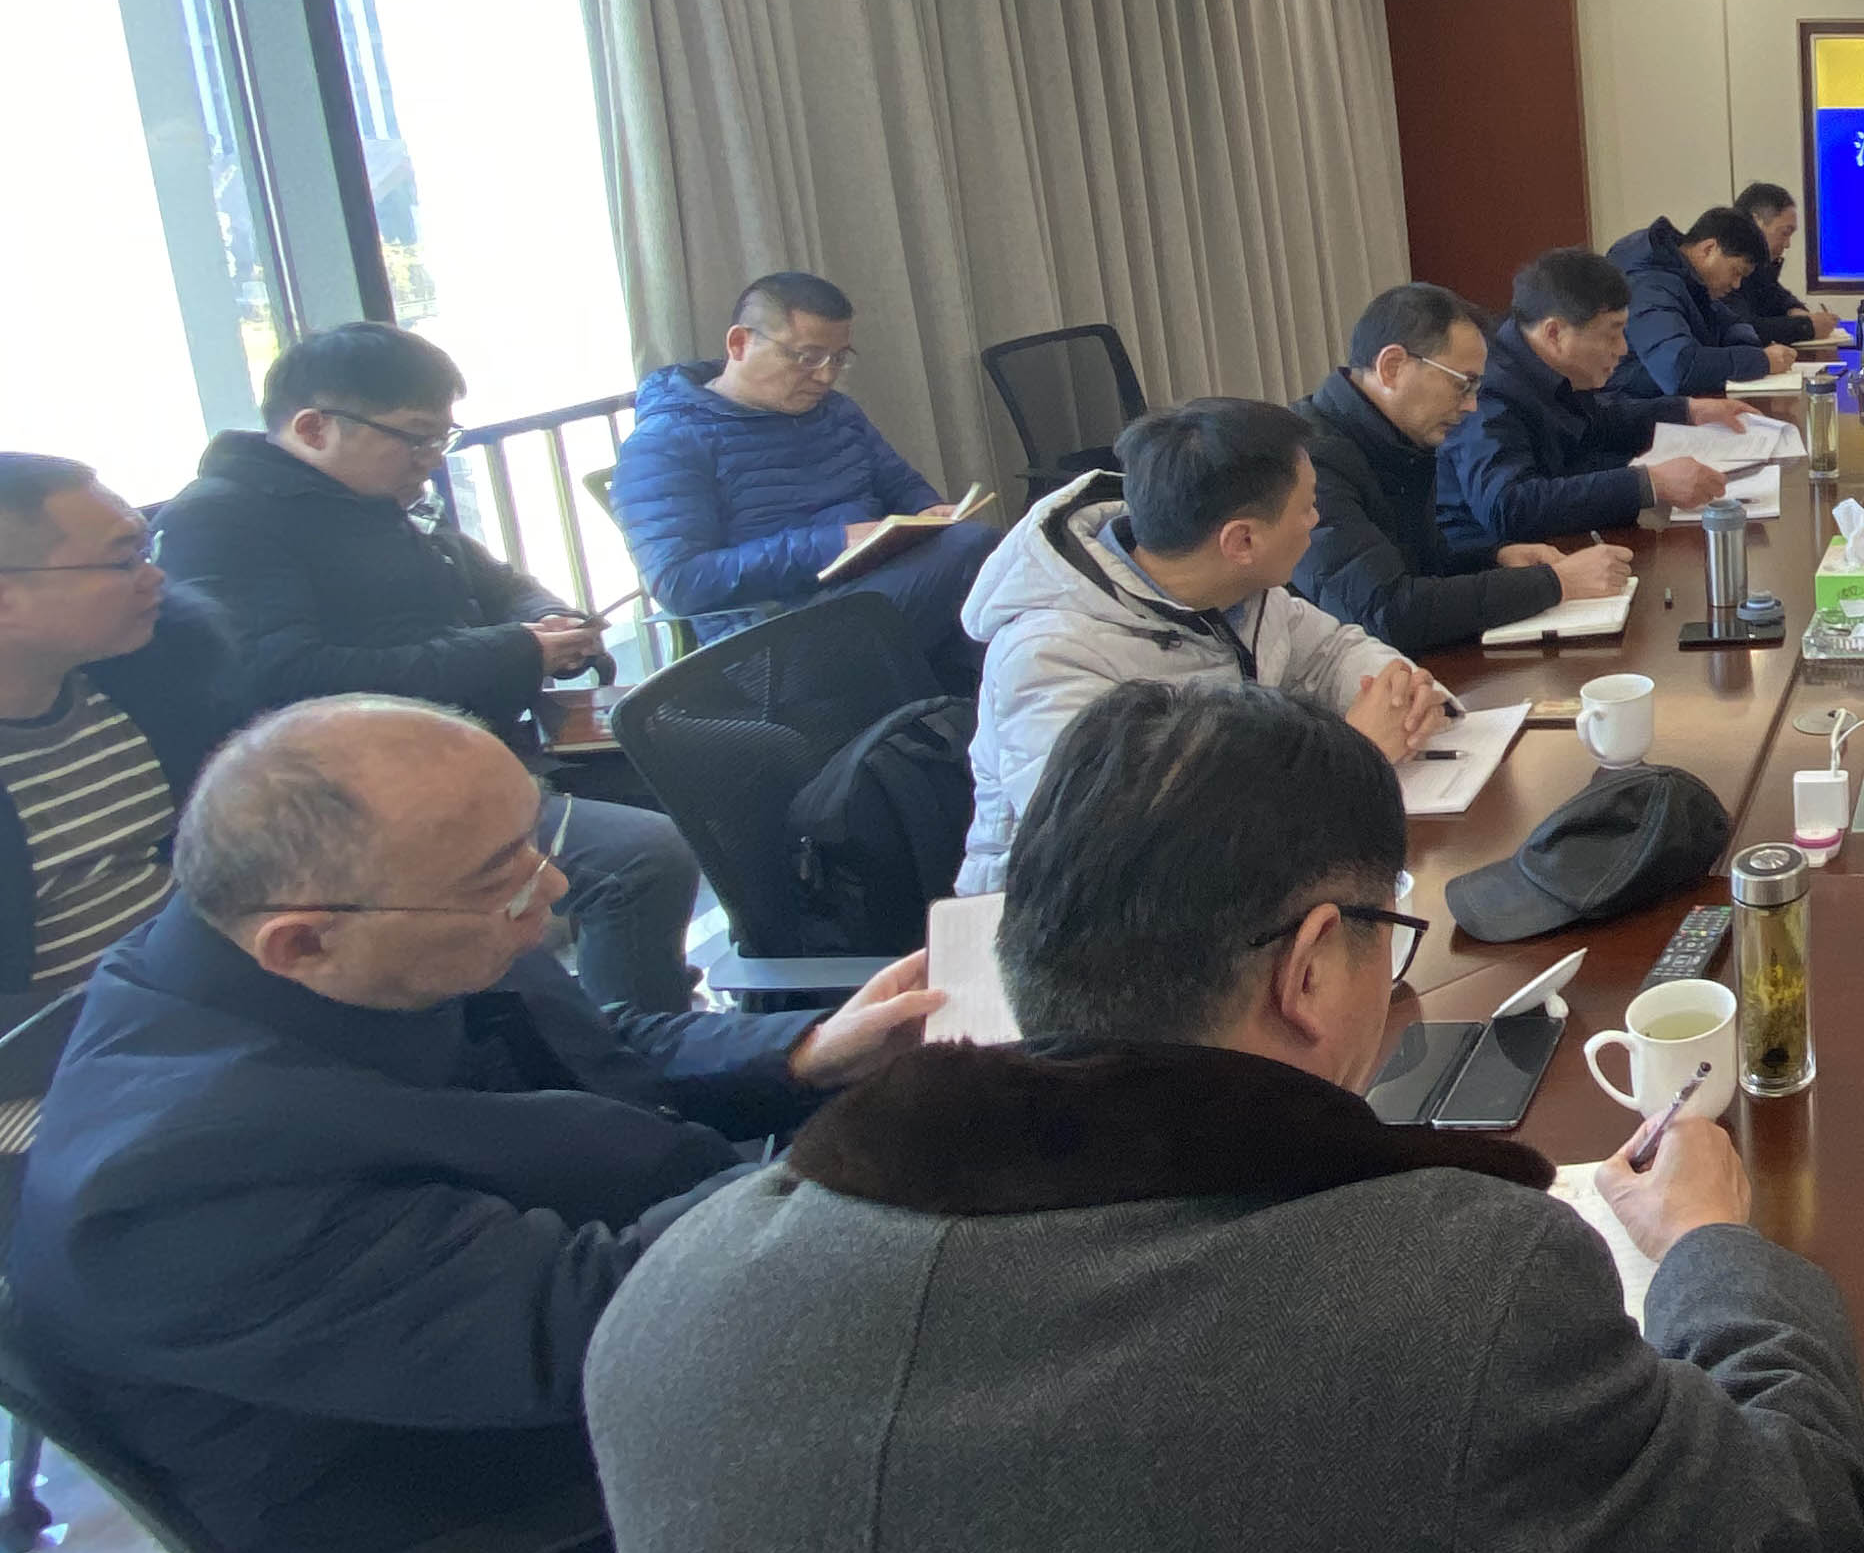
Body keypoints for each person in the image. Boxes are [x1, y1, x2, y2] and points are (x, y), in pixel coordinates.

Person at [591, 677, 1864, 1553]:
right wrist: (1714, 1245)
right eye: (1388, 938)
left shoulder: (679, 1297)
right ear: (1311, 966)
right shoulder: (1440, 1302)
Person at [7, 698, 933, 1553]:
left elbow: (592, 1048)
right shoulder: (177, 1186)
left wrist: (806, 1054)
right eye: (505, 878)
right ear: (301, 939)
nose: (551, 886)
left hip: (640, 1361)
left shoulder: (366, 942)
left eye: (534, 843)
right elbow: (605, 1318)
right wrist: (909, 1140)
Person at [154, 323, 705, 1012]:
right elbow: (290, 681)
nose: (432, 459)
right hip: (369, 797)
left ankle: (659, 1002)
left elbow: (495, 579)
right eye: (415, 438)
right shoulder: (222, 521)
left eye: (443, 438)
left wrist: (551, 621)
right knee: (641, 857)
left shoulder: (370, 496)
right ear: (314, 427)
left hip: (476, 744)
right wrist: (520, 650)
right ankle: (626, 1039)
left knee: (707, 764)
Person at [957, 396, 1448, 890]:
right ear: (1242, 542)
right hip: (1075, 918)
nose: (1316, 520)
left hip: (1245, 877)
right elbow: (1127, 846)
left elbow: (1333, 652)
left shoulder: (1237, 588)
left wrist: (1401, 695)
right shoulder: (1049, 656)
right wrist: (1355, 756)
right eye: (1306, 507)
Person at [606, 269, 1000, 690]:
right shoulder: (667, 442)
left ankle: (992, 709)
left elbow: (902, 487)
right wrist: (834, 543)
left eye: (839, 358)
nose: (826, 376)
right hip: (767, 642)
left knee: (1002, 560)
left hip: (867, 594)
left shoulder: (836, 413)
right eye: (807, 358)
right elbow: (680, 582)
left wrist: (929, 513)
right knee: (975, 552)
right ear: (739, 344)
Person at [0, 456, 237, 1141]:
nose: (155, 577)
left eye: (146, 549)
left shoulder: (152, 682)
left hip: (199, 1002)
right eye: (123, 560)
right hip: (47, 1066)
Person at [1296, 284, 1635, 649]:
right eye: (1463, 384)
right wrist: (1556, 583)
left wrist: (1496, 558)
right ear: (1392, 367)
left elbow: (1423, 566)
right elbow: (1388, 613)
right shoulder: (1308, 463)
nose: (1472, 406)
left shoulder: (1396, 437)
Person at [1442, 249, 1740, 556]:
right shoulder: (1489, 392)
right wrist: (1650, 483)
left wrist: (1687, 409)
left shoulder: (1550, 367)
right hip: (1495, 560)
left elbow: (1600, 421)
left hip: (1558, 544)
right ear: (1554, 333)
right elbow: (1509, 506)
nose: (1622, 349)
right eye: (1612, 335)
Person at [1607, 206, 1804, 395]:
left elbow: (1733, 323)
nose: (1736, 285)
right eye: (1736, 272)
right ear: (1709, 249)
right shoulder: (1649, 283)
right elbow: (1679, 368)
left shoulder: (1687, 277)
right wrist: (1761, 361)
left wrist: (1746, 351)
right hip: (1628, 406)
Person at [1727, 180, 1831, 339]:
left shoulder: (1758, 267)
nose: (1787, 244)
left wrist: (1794, 310)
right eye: (1784, 233)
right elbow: (1741, 327)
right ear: (1755, 223)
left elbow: (1774, 294)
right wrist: (1806, 327)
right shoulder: (1727, 266)